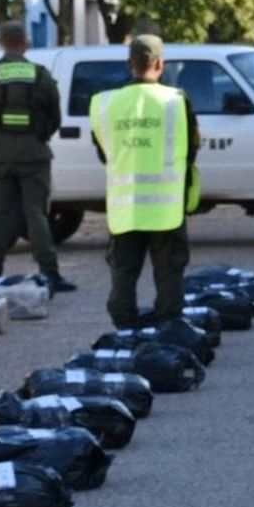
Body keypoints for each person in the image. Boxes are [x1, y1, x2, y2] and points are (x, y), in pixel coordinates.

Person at [89, 34, 201, 329]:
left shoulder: (104, 104)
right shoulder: (176, 101)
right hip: (167, 208)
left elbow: (104, 152)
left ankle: (125, 331)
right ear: (161, 64)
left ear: (129, 65)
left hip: (125, 208)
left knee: (123, 271)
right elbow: (191, 148)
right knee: (169, 272)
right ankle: (168, 328)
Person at [0, 21, 76, 291]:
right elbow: (55, 117)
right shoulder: (40, 75)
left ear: (2, 42)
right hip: (34, 154)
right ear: (25, 43)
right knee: (36, 214)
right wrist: (37, 137)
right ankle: (50, 273)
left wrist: (0, 137)